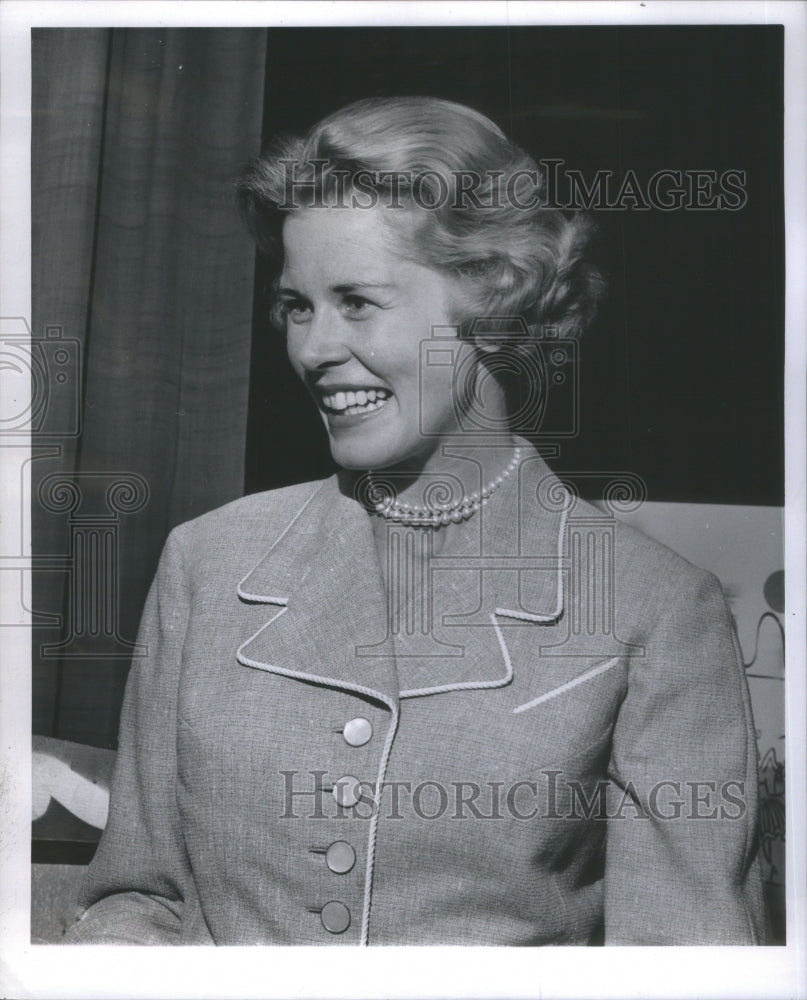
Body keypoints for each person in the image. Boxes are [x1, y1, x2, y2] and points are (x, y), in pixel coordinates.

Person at [65, 97, 765, 945]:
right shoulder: (207, 563)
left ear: (495, 297)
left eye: (357, 301)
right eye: (296, 305)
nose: (312, 349)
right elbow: (136, 900)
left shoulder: (653, 609)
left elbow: (679, 965)